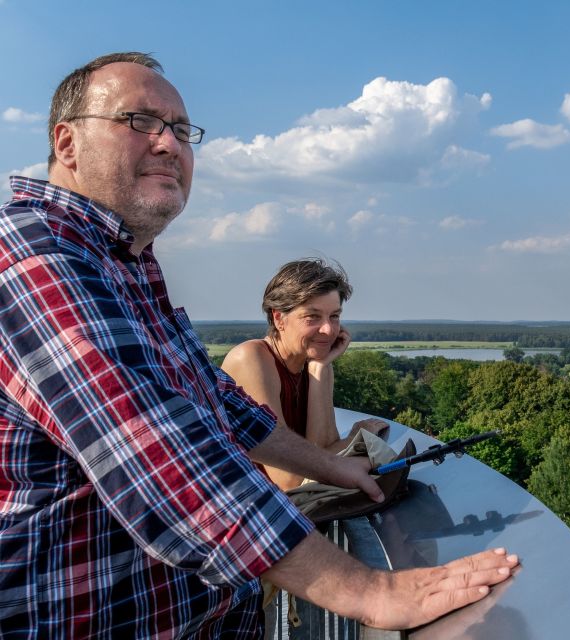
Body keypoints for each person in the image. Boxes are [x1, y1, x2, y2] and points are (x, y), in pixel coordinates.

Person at [0, 52, 517, 638]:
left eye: (181, 131)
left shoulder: (121, 265)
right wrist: (367, 589)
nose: (169, 145)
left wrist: (334, 468)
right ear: (67, 143)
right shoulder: (37, 261)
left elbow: (216, 402)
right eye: (140, 122)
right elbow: (158, 455)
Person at [221, 258, 389, 491]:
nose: (329, 330)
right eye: (313, 317)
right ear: (279, 318)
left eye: (334, 316)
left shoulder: (315, 364)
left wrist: (319, 369)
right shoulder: (252, 359)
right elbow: (291, 479)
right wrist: (355, 438)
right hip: (241, 509)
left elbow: (322, 451)